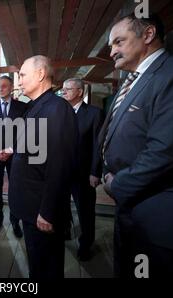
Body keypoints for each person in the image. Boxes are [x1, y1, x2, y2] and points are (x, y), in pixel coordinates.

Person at [100, 13, 173, 278]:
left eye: (118, 41)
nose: (112, 52)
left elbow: (169, 150)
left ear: (148, 35)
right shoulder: (130, 82)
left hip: (164, 220)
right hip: (132, 211)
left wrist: (117, 184)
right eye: (110, 46)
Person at [9, 55, 78, 278]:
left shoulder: (57, 109)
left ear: (40, 75)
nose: (18, 81)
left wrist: (47, 212)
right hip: (31, 206)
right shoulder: (35, 107)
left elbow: (60, 165)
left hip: (42, 210)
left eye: (22, 75)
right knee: (37, 267)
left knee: (46, 269)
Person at [62, 78, 104, 261]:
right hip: (61, 172)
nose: (63, 93)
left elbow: (98, 145)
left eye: (67, 89)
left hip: (83, 174)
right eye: (62, 90)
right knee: (61, 207)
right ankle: (64, 231)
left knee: (85, 212)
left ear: (79, 92)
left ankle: (86, 243)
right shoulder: (60, 112)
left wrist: (95, 172)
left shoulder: (94, 113)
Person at [0, 75, 27, 237]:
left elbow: (24, 133)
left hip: (15, 155)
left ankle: (15, 221)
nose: (0, 89)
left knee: (16, 188)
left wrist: (11, 150)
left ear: (11, 88)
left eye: (3, 86)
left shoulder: (22, 107)